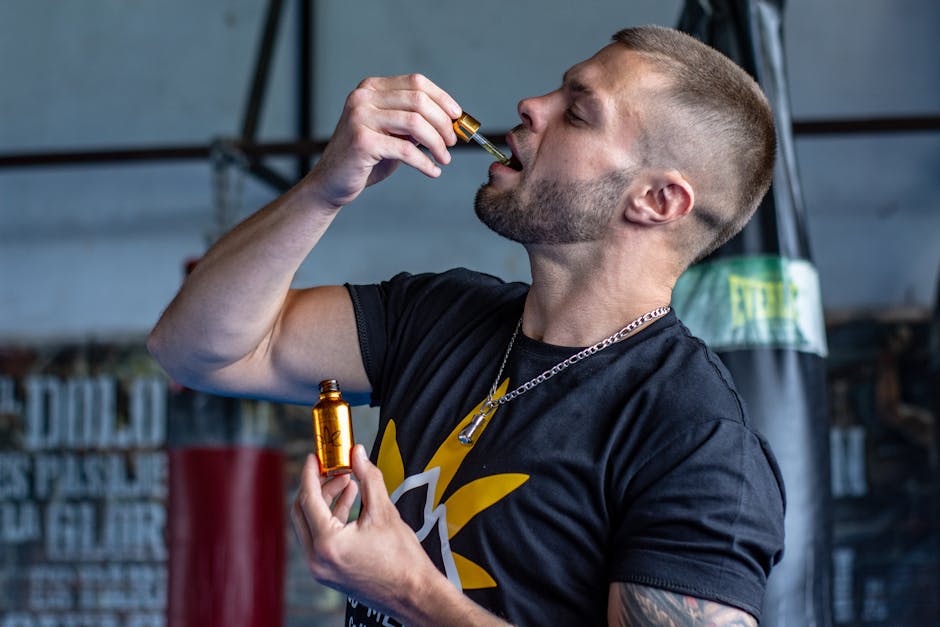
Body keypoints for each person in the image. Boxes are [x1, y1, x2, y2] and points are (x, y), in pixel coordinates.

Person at [149, 25, 785, 627]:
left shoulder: (696, 442)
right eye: (557, 90)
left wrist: (408, 590)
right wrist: (325, 189)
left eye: (578, 112)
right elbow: (193, 350)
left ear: (657, 201)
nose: (532, 105)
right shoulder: (438, 315)